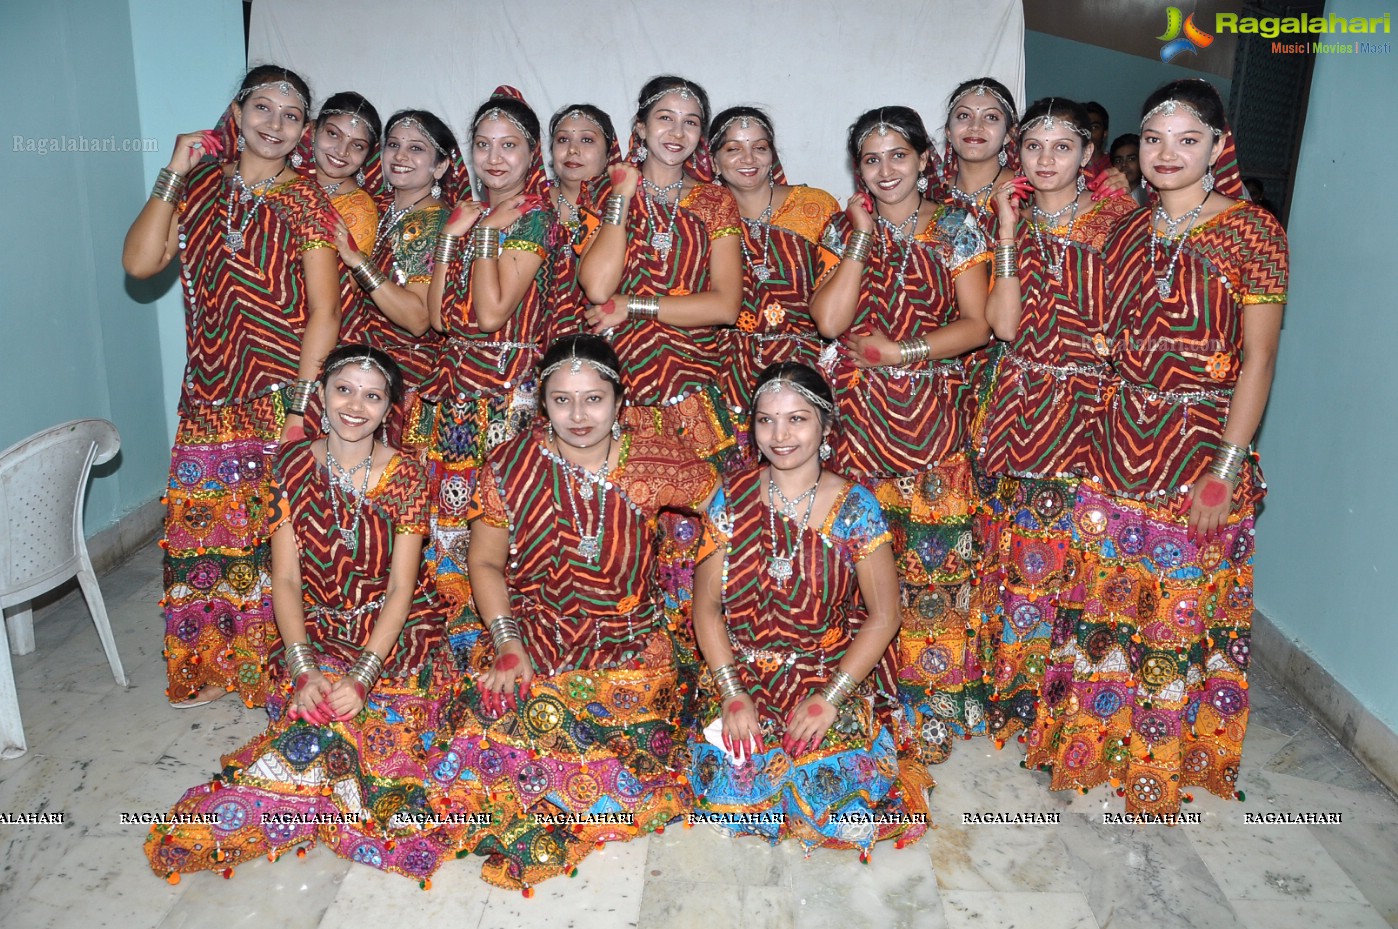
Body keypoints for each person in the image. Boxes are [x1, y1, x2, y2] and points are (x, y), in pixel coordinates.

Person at [1024, 79, 1288, 816]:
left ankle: (1156, 762)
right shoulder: (1130, 229)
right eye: (1155, 138)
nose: (1168, 153)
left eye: (1188, 139)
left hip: (1199, 445)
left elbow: (1259, 360)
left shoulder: (1253, 232)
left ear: (1218, 148)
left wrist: (1226, 469)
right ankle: (1089, 742)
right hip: (1116, 441)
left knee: (1174, 609)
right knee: (1104, 602)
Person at [145, 346, 465, 883]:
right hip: (312, 630)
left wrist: (364, 676)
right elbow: (287, 580)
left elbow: (403, 590)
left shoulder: (406, 475)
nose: (355, 405)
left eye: (372, 395)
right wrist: (302, 667)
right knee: (315, 710)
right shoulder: (291, 465)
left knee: (372, 726)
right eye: (343, 389)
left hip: (392, 632)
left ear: (390, 408)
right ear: (319, 395)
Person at [430, 335, 718, 892]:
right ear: (543, 405)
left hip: (631, 640)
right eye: (561, 401)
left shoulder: (654, 459)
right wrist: (509, 643)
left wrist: (702, 588)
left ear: (620, 402)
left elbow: (729, 516)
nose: (578, 415)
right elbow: (485, 563)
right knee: (485, 727)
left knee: (633, 761)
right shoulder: (511, 465)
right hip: (537, 630)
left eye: (593, 399)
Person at [122, 65, 340, 708]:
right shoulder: (197, 188)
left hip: (281, 396)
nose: (275, 125)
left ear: (303, 129)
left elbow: (325, 311)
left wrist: (302, 405)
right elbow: (140, 264)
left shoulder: (306, 198)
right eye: (263, 109)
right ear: (238, 113)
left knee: (278, 532)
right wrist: (173, 168)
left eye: (291, 115)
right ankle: (212, 660)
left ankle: (282, 656)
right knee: (209, 533)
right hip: (210, 395)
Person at [810, 106, 991, 765]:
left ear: (923, 159)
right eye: (870, 159)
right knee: (854, 571)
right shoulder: (841, 226)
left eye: (897, 156)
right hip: (854, 425)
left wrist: (903, 351)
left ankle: (933, 708)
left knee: (930, 572)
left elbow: (977, 325)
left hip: (929, 424)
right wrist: (859, 241)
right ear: (857, 168)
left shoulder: (954, 228)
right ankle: (861, 701)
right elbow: (829, 321)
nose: (885, 171)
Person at [688, 363, 928, 856]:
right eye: (766, 420)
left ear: (824, 425)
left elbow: (885, 615)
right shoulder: (730, 501)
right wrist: (731, 694)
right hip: (745, 672)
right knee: (730, 792)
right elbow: (707, 607)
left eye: (796, 419)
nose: (780, 435)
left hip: (826, 671)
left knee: (843, 806)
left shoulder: (855, 506)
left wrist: (830, 699)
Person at [977, 99, 1139, 743]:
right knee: (1014, 552)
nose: (1046, 161)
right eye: (1034, 147)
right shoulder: (1004, 219)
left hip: (1086, 412)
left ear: (1085, 153)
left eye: (1061, 147)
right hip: (1018, 405)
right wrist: (1011, 236)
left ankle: (1061, 700)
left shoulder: (1118, 221)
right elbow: (1006, 327)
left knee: (1073, 557)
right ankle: (1011, 692)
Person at [424, 87, 556, 652]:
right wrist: (452, 236)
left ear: (533, 155)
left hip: (509, 395)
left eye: (509, 146)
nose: (494, 158)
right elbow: (435, 318)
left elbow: (492, 311)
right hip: (455, 392)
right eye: (482, 145)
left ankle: (507, 637)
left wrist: (477, 234)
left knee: (503, 516)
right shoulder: (469, 215)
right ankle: (457, 634)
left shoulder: (535, 218)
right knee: (450, 518)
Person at [575, 74, 742, 459]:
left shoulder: (715, 202)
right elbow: (598, 288)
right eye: (665, 118)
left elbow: (725, 306)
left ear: (701, 136)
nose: (677, 132)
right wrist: (621, 196)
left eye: (690, 122)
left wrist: (632, 305)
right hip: (615, 379)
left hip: (693, 382)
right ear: (640, 127)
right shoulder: (600, 191)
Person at [336, 109, 463, 451]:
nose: (401, 155)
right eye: (393, 144)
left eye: (417, 148)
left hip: (405, 380)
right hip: (371, 373)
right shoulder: (382, 210)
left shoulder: (429, 221)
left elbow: (418, 318)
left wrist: (357, 261)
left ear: (440, 166)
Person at [708, 107, 839, 424]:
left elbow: (840, 294)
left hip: (809, 366)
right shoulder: (701, 215)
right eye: (733, 149)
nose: (748, 159)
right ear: (713, 161)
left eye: (760, 147)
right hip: (727, 370)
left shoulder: (816, 206)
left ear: (773, 155)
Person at [543, 103, 622, 346]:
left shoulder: (627, 205)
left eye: (587, 140)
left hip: (610, 340)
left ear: (609, 153)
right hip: (535, 341)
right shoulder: (531, 204)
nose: (573, 150)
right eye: (563, 140)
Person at [1108, 133, 1149, 207]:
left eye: (1131, 159)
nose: (1124, 164)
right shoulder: (1108, 198)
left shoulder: (1152, 196)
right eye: (1118, 161)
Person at [1081, 101, 1111, 176]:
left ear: (1105, 133)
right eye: (1082, 127)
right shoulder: (1066, 164)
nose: (1088, 132)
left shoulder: (1115, 164)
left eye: (1094, 127)